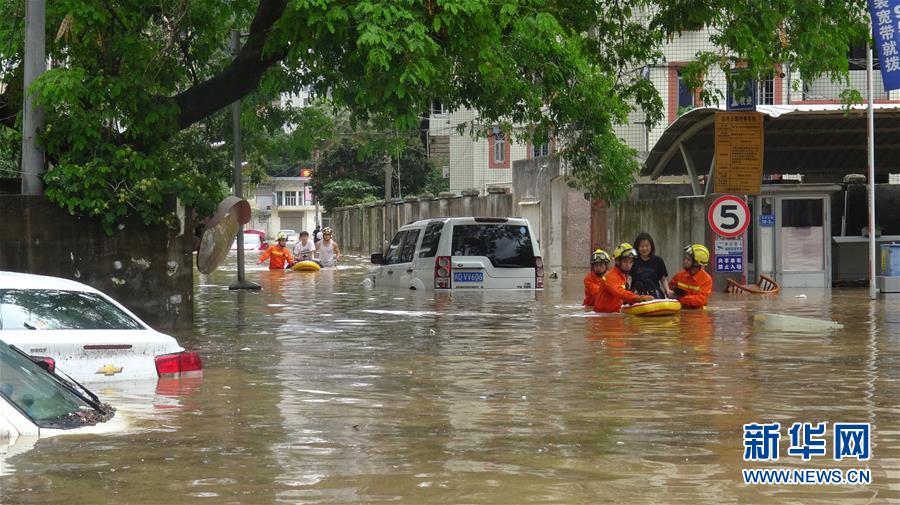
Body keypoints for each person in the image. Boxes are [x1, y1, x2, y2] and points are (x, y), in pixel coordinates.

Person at [594, 242, 653, 313]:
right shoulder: (611, 276)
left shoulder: (622, 275)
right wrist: (638, 298)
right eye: (625, 261)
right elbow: (619, 292)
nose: (628, 265)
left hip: (612, 314)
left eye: (630, 262)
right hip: (603, 317)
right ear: (617, 261)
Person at [630, 232, 674, 299]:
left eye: (647, 246)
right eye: (641, 246)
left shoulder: (658, 260)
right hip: (637, 293)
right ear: (637, 247)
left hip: (654, 293)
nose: (644, 249)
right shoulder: (632, 261)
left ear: (651, 246)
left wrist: (667, 290)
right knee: (638, 284)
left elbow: (663, 279)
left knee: (649, 283)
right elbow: (628, 278)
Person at [669, 244, 713, 309]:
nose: (685, 261)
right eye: (685, 258)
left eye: (688, 260)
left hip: (698, 315)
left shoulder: (706, 279)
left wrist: (680, 298)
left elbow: (700, 300)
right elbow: (669, 288)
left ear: (697, 263)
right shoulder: (679, 275)